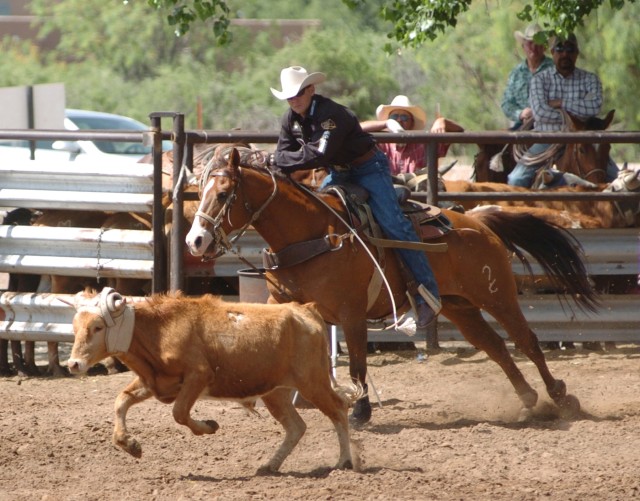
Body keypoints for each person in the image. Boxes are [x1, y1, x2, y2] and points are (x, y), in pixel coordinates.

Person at [270, 66, 441, 329]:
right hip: (339, 174)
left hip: (368, 168)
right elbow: (282, 157)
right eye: (289, 96)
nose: (294, 100)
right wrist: (291, 157)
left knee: (394, 225)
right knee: (318, 216)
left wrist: (290, 157)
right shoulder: (289, 119)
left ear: (311, 90)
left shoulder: (330, 115)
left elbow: (317, 155)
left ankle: (427, 296)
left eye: (298, 93)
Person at [507, 33, 619, 187]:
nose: (565, 54)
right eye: (560, 49)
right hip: (548, 138)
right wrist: (576, 114)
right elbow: (539, 112)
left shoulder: (590, 79)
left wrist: (560, 103)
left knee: (618, 181)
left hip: (584, 141)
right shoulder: (540, 80)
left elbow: (594, 107)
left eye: (570, 49)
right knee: (516, 179)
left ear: (577, 54)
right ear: (552, 52)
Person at [360, 95, 464, 175]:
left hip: (419, 195)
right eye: (394, 116)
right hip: (386, 191)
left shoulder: (423, 143)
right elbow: (358, 129)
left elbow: (460, 131)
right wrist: (386, 123)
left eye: (404, 117)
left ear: (411, 123)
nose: (399, 120)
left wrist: (443, 121)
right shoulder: (382, 142)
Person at [501, 23, 554, 130]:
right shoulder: (516, 73)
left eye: (538, 43)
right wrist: (521, 114)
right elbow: (506, 103)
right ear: (523, 46)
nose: (534, 47)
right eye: (530, 43)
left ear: (544, 47)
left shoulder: (554, 69)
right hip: (522, 125)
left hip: (550, 124)